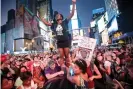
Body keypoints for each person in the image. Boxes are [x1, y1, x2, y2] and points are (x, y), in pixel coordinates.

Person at [38, 0, 76, 67]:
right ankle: (62, 70)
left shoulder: (65, 22)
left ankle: (69, 69)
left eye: (58, 15)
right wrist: (40, 17)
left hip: (66, 41)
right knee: (61, 56)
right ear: (56, 18)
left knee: (67, 56)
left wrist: (73, 3)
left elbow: (72, 14)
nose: (57, 15)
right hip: (59, 42)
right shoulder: (53, 24)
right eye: (56, 15)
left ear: (61, 17)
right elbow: (46, 23)